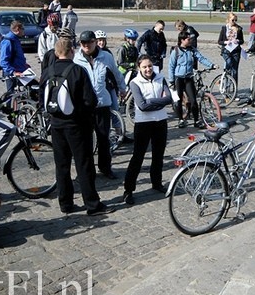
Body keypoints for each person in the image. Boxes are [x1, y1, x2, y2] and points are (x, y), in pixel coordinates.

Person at [41, 38, 111, 216]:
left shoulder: (48, 72)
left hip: (56, 124)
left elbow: (41, 96)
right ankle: (92, 204)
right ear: (72, 51)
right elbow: (90, 100)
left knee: (62, 165)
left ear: (56, 53)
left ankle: (65, 203)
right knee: (84, 164)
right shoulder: (77, 70)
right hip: (77, 125)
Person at [74, 30, 127, 180]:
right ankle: (87, 170)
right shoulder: (76, 59)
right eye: (83, 43)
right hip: (84, 106)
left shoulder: (106, 56)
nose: (86, 46)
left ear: (95, 42)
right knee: (85, 141)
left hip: (102, 104)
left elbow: (116, 74)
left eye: (89, 43)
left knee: (104, 138)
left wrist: (122, 88)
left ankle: (105, 167)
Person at [123, 55, 173, 203]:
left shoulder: (160, 78)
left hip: (160, 121)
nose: (148, 69)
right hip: (143, 123)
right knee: (138, 157)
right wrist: (159, 102)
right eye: (144, 67)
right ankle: (128, 189)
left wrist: (151, 101)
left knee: (158, 155)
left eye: (150, 66)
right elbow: (142, 106)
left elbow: (169, 98)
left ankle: (156, 183)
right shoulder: (135, 82)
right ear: (139, 68)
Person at [167, 30, 216, 128]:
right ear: (182, 40)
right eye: (188, 39)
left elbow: (201, 58)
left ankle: (196, 120)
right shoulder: (176, 51)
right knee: (178, 100)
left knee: (193, 100)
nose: (190, 41)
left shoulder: (192, 50)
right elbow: (171, 67)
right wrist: (171, 81)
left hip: (188, 78)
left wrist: (211, 65)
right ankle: (181, 119)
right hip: (178, 79)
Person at [0, 20, 33, 93]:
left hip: (21, 70)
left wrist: (24, 64)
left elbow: (16, 55)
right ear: (17, 29)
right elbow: (3, 61)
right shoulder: (8, 41)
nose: (24, 31)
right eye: (23, 29)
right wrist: (13, 72)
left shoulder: (15, 39)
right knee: (11, 95)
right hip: (12, 73)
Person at [217, 13, 244, 84]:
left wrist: (237, 41)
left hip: (236, 51)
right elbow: (219, 41)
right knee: (228, 63)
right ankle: (225, 84)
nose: (234, 22)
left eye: (236, 20)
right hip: (226, 51)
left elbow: (242, 40)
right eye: (233, 20)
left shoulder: (239, 28)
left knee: (234, 71)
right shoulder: (224, 28)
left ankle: (234, 89)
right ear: (228, 20)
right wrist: (226, 42)